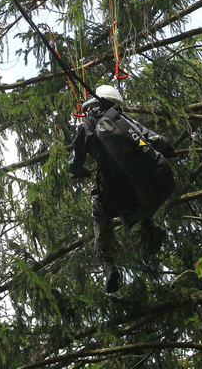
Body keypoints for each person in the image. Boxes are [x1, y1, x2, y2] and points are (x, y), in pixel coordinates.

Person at [68, 85, 175, 294]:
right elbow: (158, 141)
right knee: (132, 180)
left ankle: (109, 265)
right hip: (162, 186)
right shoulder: (128, 122)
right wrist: (170, 149)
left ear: (93, 104)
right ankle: (150, 228)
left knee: (100, 208)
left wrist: (79, 172)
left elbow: (74, 163)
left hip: (125, 199)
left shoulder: (87, 126)